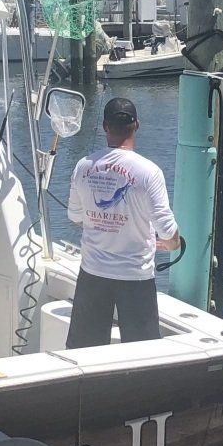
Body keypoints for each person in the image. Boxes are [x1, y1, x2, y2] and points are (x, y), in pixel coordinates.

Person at [66, 96, 180, 347]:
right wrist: (173, 244)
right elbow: (167, 230)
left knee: (84, 353)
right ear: (136, 125)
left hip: (93, 274)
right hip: (135, 278)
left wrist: (102, 222)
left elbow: (75, 217)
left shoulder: (82, 167)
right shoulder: (149, 172)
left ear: (105, 127)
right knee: (143, 355)